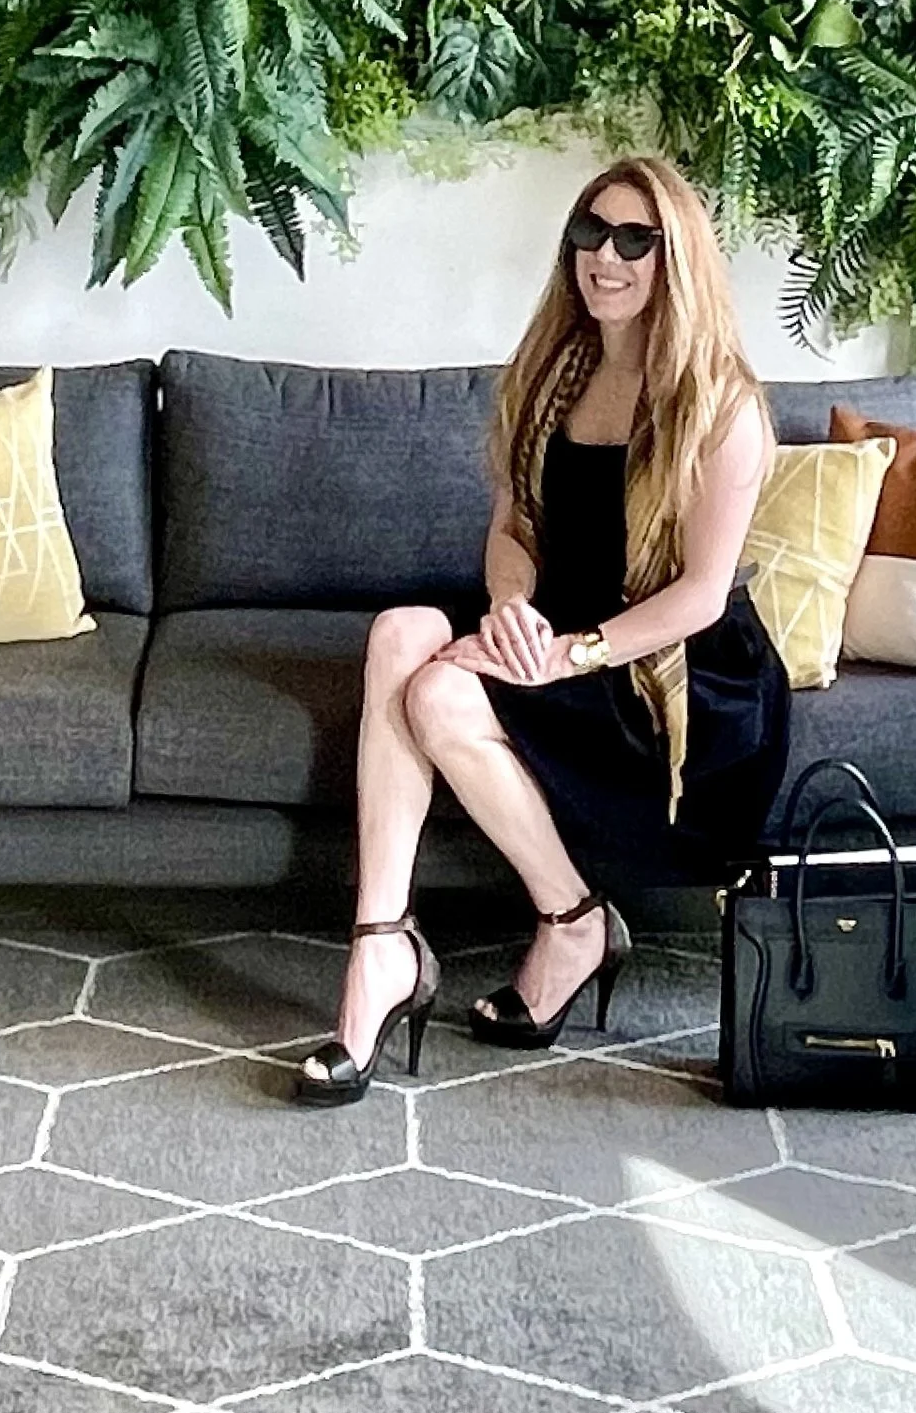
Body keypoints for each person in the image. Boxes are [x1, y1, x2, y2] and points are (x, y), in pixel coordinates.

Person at [297, 153, 789, 1104]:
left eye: (634, 240)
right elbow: (514, 528)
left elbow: (702, 593)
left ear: (675, 258)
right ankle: (381, 949)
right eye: (589, 233)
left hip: (667, 675)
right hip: (559, 632)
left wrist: (573, 651)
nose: (605, 256)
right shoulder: (554, 372)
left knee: (436, 688)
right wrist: (515, 610)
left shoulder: (720, 403)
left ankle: (571, 921)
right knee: (401, 632)